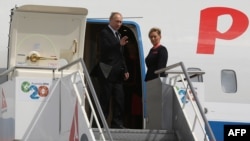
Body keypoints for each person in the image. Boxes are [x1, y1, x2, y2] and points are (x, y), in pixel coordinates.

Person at [94, 12, 129, 129]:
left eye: (121, 22)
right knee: (105, 99)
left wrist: (126, 69)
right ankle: (101, 124)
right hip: (106, 71)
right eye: (117, 21)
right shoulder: (104, 33)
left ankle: (117, 123)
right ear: (110, 20)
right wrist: (118, 44)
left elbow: (121, 55)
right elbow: (105, 49)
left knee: (119, 99)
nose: (119, 24)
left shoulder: (118, 35)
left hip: (118, 72)